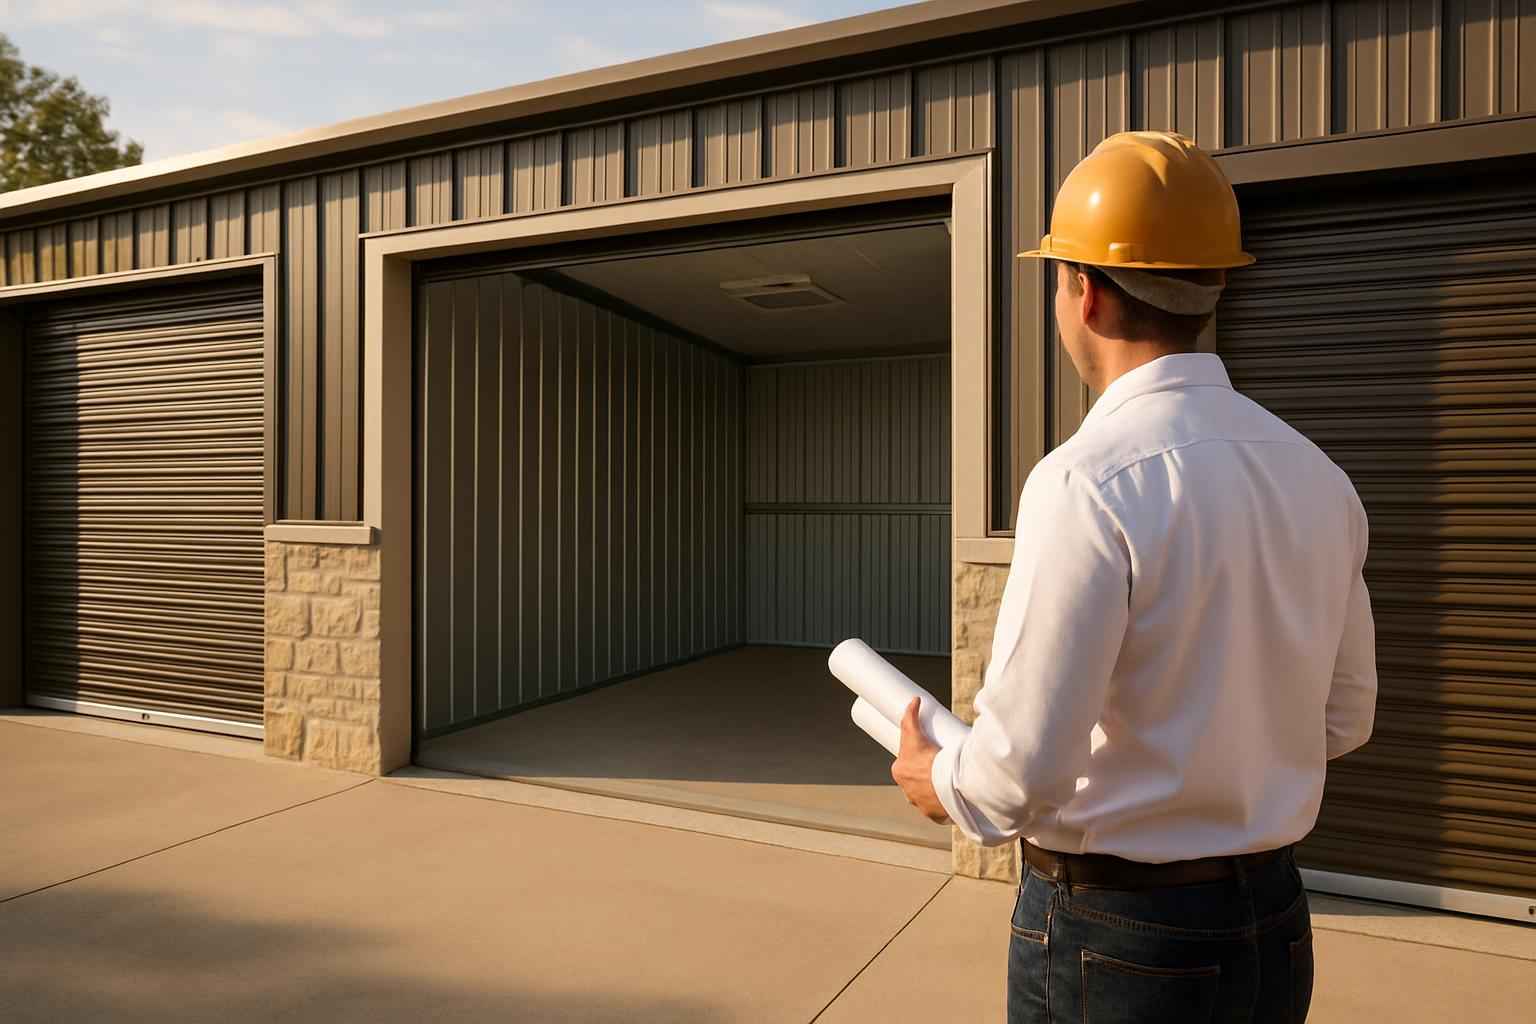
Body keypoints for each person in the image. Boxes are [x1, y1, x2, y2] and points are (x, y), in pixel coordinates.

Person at [890, 131, 1378, 1023]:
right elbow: (1343, 719)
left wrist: (941, 779)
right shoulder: (1320, 477)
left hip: (1120, 940)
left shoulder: (1087, 480)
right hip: (1274, 925)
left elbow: (1019, 776)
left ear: (1088, 292)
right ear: (1209, 287)